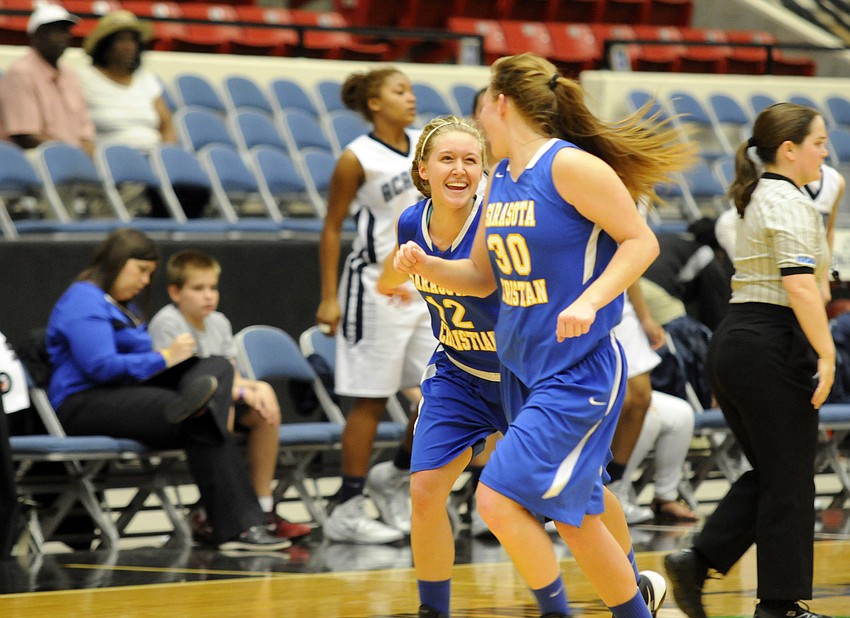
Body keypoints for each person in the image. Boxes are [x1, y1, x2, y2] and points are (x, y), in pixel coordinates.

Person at [394, 53, 693, 618]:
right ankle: (635, 600)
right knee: (573, 514)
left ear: (500, 104)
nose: (479, 113)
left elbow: (641, 242)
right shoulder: (504, 177)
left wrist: (589, 299)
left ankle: (566, 609)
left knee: (505, 500)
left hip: (576, 368)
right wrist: (424, 265)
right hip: (519, 368)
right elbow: (481, 275)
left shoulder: (569, 166)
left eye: (484, 101)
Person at [664, 103, 835, 618]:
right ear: (789, 150)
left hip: (748, 341)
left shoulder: (778, 196)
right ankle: (777, 606)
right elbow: (800, 285)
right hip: (767, 341)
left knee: (777, 471)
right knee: (789, 477)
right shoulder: (781, 197)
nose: (826, 151)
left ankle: (699, 562)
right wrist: (827, 353)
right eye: (819, 142)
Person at [45, 228, 289, 552]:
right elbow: (99, 367)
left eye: (150, 273)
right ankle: (242, 526)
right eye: (141, 270)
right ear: (117, 262)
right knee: (199, 411)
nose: (146, 281)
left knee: (214, 368)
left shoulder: (122, 306)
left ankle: (201, 404)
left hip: (130, 395)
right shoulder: (83, 299)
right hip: (84, 402)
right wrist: (163, 357)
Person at [316, 66, 435, 544]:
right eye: (399, 91)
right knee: (368, 398)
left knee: (441, 393)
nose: (411, 97)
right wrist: (328, 297)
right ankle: (347, 505)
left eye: (410, 89)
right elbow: (330, 227)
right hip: (374, 290)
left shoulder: (427, 146)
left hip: (425, 285)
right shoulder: (356, 157)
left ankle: (396, 473)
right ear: (374, 103)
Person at [148, 249, 312, 542]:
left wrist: (258, 388)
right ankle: (219, 511)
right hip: (187, 409)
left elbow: (233, 373)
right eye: (198, 289)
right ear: (175, 292)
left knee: (264, 412)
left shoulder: (219, 322)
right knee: (225, 404)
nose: (208, 296)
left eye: (213, 288)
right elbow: (179, 380)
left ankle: (264, 510)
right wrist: (239, 390)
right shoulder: (167, 323)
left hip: (222, 401)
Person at [0, 4, 94, 155]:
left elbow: (85, 133)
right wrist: (70, 155)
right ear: (36, 37)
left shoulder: (70, 75)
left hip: (73, 159)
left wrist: (88, 157)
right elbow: (25, 135)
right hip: (35, 158)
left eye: (65, 31)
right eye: (55, 31)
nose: (63, 37)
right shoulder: (20, 73)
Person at [79, 10, 174, 153]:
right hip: (112, 162)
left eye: (133, 40)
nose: (130, 46)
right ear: (104, 45)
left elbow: (167, 126)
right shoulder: (83, 79)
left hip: (153, 158)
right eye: (122, 40)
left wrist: (167, 154)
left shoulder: (146, 79)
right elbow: (76, 130)